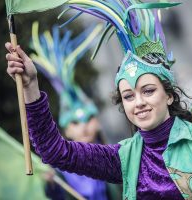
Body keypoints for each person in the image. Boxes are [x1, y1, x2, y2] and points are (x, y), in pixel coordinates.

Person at [5, 1, 192, 199]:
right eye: (129, 96)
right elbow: (54, 151)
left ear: (169, 95)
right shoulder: (124, 158)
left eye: (148, 91)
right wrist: (30, 85)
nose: (138, 102)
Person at [29, 22, 121, 200]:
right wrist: (52, 186)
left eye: (89, 118)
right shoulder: (59, 174)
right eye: (75, 122)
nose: (84, 127)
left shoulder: (119, 155)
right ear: (66, 130)